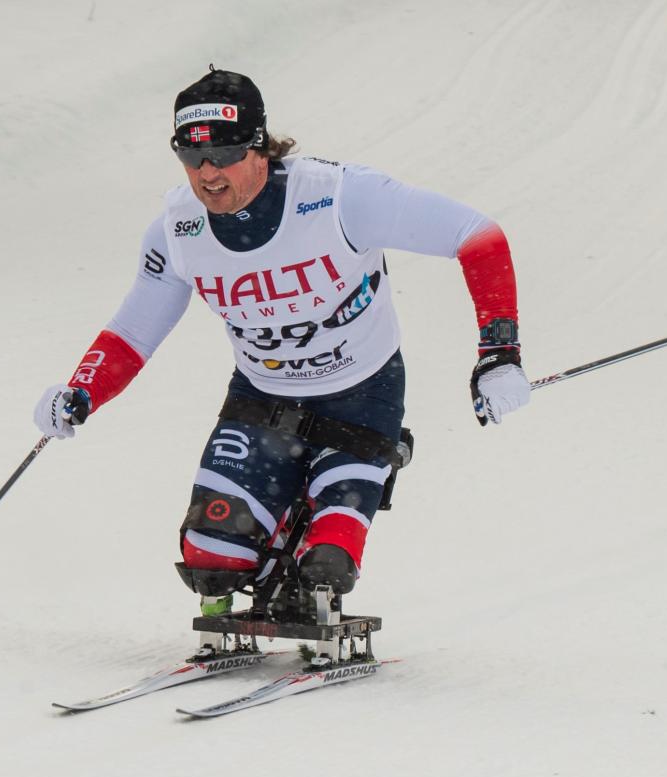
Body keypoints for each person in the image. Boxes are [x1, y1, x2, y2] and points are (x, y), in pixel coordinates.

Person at [34, 67, 530, 619]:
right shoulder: (178, 228)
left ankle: (331, 520)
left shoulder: (342, 196)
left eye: (223, 154)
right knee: (209, 558)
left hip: (361, 393)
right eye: (191, 157)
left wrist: (499, 354)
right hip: (263, 398)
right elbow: (133, 330)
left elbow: (477, 235)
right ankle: (265, 564)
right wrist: (82, 390)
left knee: (330, 564)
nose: (207, 173)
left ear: (259, 148)